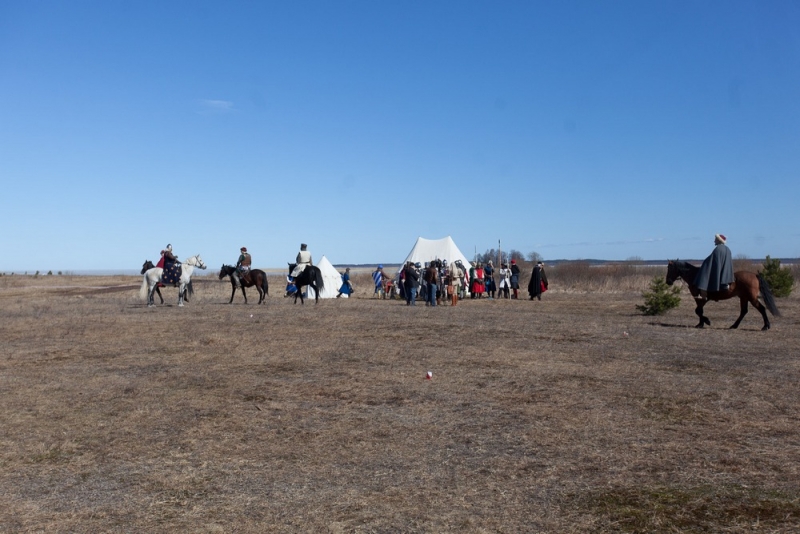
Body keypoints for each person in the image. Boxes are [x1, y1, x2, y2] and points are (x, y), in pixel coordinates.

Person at [695, 234, 734, 301]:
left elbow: (711, 260)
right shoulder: (728, 249)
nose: (714, 241)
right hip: (725, 272)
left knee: (703, 275)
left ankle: (703, 295)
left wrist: (705, 263)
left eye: (715, 239)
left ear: (719, 240)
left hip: (718, 271)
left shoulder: (717, 249)